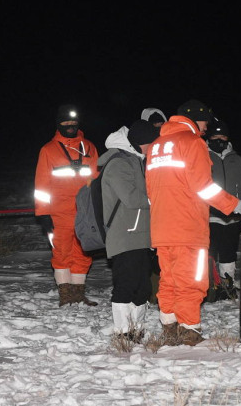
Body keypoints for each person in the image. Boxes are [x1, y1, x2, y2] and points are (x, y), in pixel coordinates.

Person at [145, 99, 241, 346]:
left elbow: (150, 190)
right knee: (191, 279)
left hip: (161, 226)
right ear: (194, 119)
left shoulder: (157, 146)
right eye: (204, 122)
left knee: (168, 278)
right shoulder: (193, 142)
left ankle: (169, 326)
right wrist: (234, 205)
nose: (206, 128)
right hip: (187, 226)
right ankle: (189, 329)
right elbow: (203, 187)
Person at [99, 119, 160, 342]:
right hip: (124, 235)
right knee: (126, 285)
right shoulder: (119, 163)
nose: (154, 149)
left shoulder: (137, 161)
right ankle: (123, 333)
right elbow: (132, 199)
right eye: (150, 144)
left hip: (141, 235)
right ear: (139, 143)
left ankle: (137, 329)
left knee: (142, 287)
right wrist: (160, 198)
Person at [34, 104, 100, 306]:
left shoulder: (89, 147)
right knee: (61, 253)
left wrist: (99, 207)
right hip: (58, 213)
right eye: (65, 122)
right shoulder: (48, 150)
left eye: (73, 122)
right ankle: (66, 294)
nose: (70, 126)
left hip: (85, 213)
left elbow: (96, 180)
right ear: (58, 123)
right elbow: (41, 185)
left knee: (83, 253)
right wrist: (43, 214)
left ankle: (78, 294)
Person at [205, 119, 241, 300]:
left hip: (232, 216)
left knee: (229, 252)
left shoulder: (236, 158)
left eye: (223, 137)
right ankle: (209, 287)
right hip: (209, 215)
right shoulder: (203, 156)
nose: (220, 140)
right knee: (209, 253)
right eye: (215, 137)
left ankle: (227, 285)